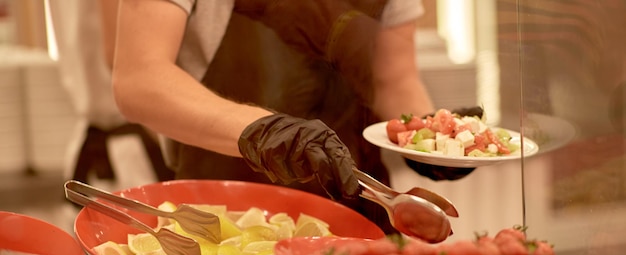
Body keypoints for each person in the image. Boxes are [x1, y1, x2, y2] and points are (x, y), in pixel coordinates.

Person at [104, 0, 466, 231]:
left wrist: (432, 137)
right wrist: (262, 131)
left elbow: (394, 78)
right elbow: (139, 78)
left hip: (359, 216)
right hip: (228, 224)